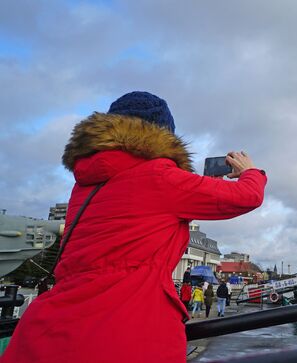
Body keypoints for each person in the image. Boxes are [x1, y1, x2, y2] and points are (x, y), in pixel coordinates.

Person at [1, 91, 267, 363]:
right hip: (127, 330)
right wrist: (250, 172)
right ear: (164, 136)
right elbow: (246, 197)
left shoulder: (85, 185)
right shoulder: (162, 178)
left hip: (50, 330)